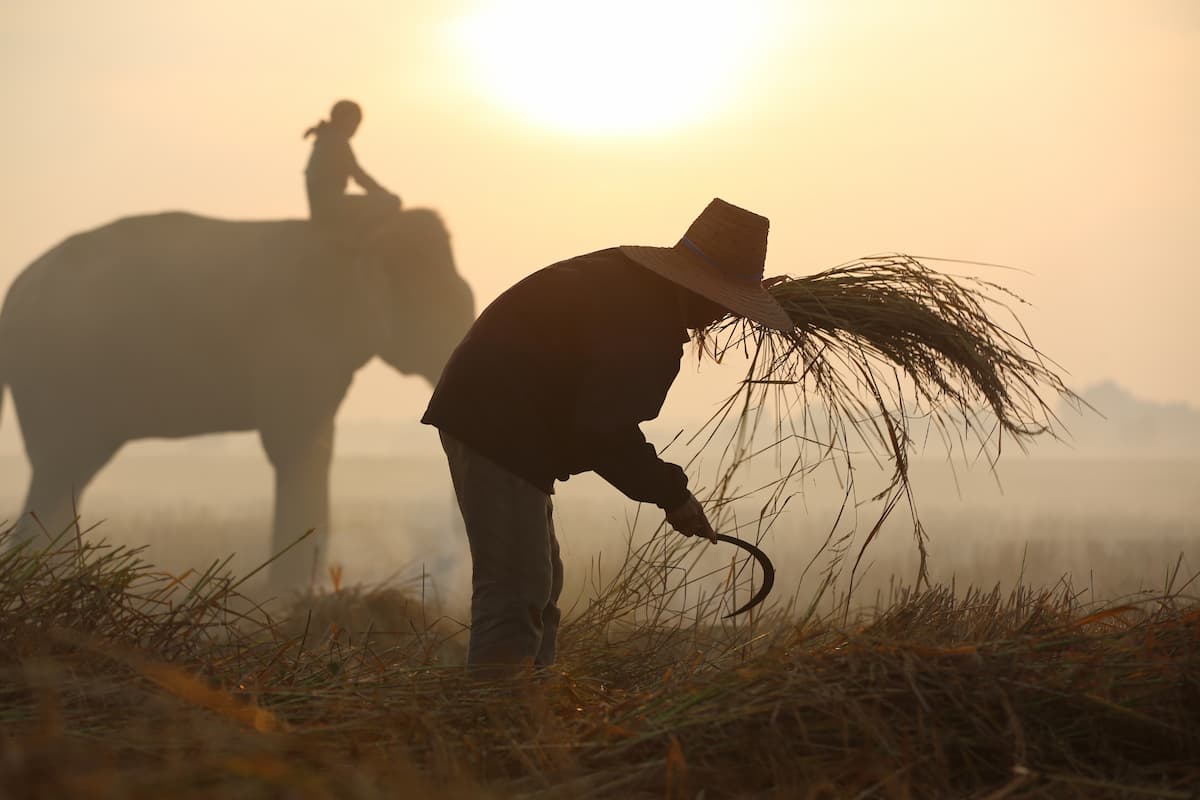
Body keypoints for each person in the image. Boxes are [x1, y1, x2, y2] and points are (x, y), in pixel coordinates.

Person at [421, 198, 795, 677]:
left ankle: (531, 702)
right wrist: (672, 495)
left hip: (503, 420)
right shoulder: (643, 324)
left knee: (540, 579)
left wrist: (666, 491)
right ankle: (494, 717)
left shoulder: (630, 288)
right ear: (699, 289)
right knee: (516, 587)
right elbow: (603, 431)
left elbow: (595, 422)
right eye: (723, 302)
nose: (722, 315)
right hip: (497, 424)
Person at [303, 99, 400, 243]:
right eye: (355, 122)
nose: (356, 128)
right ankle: (359, 241)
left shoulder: (326, 138)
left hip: (321, 208)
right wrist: (383, 193)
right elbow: (358, 175)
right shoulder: (336, 141)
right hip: (331, 207)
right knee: (391, 202)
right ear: (344, 120)